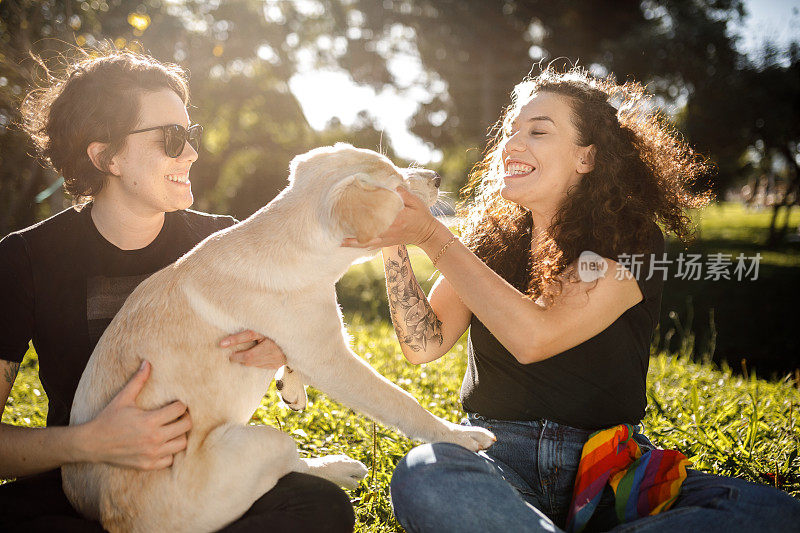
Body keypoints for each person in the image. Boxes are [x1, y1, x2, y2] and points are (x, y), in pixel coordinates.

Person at [344, 67, 800, 531]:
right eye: (510, 130)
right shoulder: (489, 243)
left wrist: (430, 234)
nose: (512, 144)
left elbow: (536, 337)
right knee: (426, 472)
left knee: (773, 512)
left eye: (538, 131)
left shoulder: (630, 238)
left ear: (587, 158)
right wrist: (393, 242)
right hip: (498, 457)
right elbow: (424, 344)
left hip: (608, 472)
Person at [0, 49, 354, 532]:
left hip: (206, 476)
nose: (191, 153)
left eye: (190, 136)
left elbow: (299, 330)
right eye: (171, 138)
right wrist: (91, 443)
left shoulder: (224, 242)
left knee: (319, 507)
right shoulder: (24, 260)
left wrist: (282, 350)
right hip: (87, 488)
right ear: (105, 156)